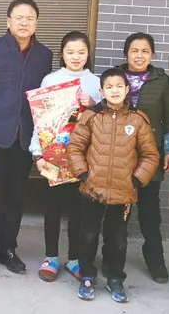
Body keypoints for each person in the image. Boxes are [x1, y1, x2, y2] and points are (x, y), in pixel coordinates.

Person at [0, 0, 53, 277]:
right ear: (8, 21)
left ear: (36, 23)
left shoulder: (44, 55)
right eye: (19, 18)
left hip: (26, 137)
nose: (24, 23)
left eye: (30, 18)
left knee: (16, 196)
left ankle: (9, 249)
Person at [67, 68, 160, 303]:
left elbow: (150, 155)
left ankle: (115, 277)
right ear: (102, 91)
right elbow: (75, 147)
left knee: (117, 239)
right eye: (109, 87)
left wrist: (136, 180)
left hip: (124, 192)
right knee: (88, 235)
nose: (114, 91)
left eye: (119, 86)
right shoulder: (91, 117)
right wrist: (83, 173)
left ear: (127, 89)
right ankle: (87, 276)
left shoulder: (138, 119)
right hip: (92, 189)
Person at [29, 31, 102, 283]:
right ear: (62, 54)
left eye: (81, 52)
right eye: (70, 52)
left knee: (78, 210)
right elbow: (39, 120)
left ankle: (74, 258)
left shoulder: (96, 83)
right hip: (53, 157)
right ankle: (50, 257)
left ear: (88, 54)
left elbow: (106, 120)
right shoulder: (51, 79)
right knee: (53, 208)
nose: (76, 57)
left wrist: (94, 104)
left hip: (84, 159)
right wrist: (37, 153)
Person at [115, 32, 169, 283]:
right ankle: (113, 260)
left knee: (150, 211)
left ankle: (155, 261)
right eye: (134, 50)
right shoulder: (114, 77)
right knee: (117, 211)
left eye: (145, 51)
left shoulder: (161, 81)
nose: (139, 55)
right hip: (118, 155)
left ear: (152, 54)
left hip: (149, 156)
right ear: (126, 53)